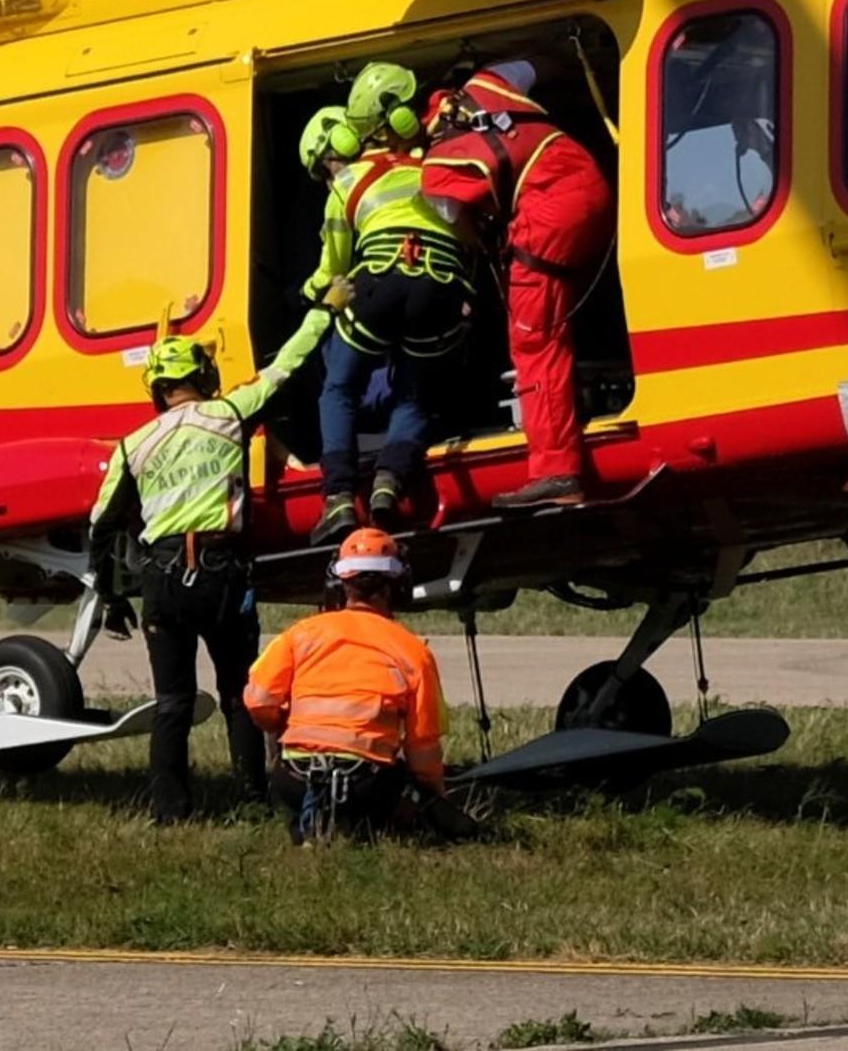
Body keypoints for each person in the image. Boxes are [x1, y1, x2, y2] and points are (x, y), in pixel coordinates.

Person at [88, 297, 343, 825]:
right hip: (222, 573)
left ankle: (169, 812)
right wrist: (325, 311)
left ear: (156, 388)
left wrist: (111, 595)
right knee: (238, 694)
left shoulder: (132, 445)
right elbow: (286, 367)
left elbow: (101, 525)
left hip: (161, 580)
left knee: (172, 704)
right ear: (202, 377)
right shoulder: (228, 414)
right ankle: (252, 799)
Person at [408, 58, 613, 509]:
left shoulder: (439, 164)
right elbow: (536, 63)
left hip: (547, 217)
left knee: (533, 343)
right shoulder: (491, 82)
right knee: (569, 311)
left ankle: (557, 473)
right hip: (592, 184)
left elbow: (462, 228)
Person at [298, 104, 473, 544]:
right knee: (416, 396)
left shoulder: (346, 184)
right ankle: (389, 483)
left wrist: (305, 295)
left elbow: (334, 268)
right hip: (439, 287)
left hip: (378, 285)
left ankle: (338, 497)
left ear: (329, 155)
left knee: (339, 389)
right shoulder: (432, 166)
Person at [243, 527, 446, 844]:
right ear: (397, 585)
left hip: (294, 780)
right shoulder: (413, 652)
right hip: (367, 787)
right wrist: (435, 799)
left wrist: (282, 725)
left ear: (339, 583)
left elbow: (257, 700)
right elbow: (423, 747)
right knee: (400, 783)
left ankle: (313, 826)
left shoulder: (301, 634)